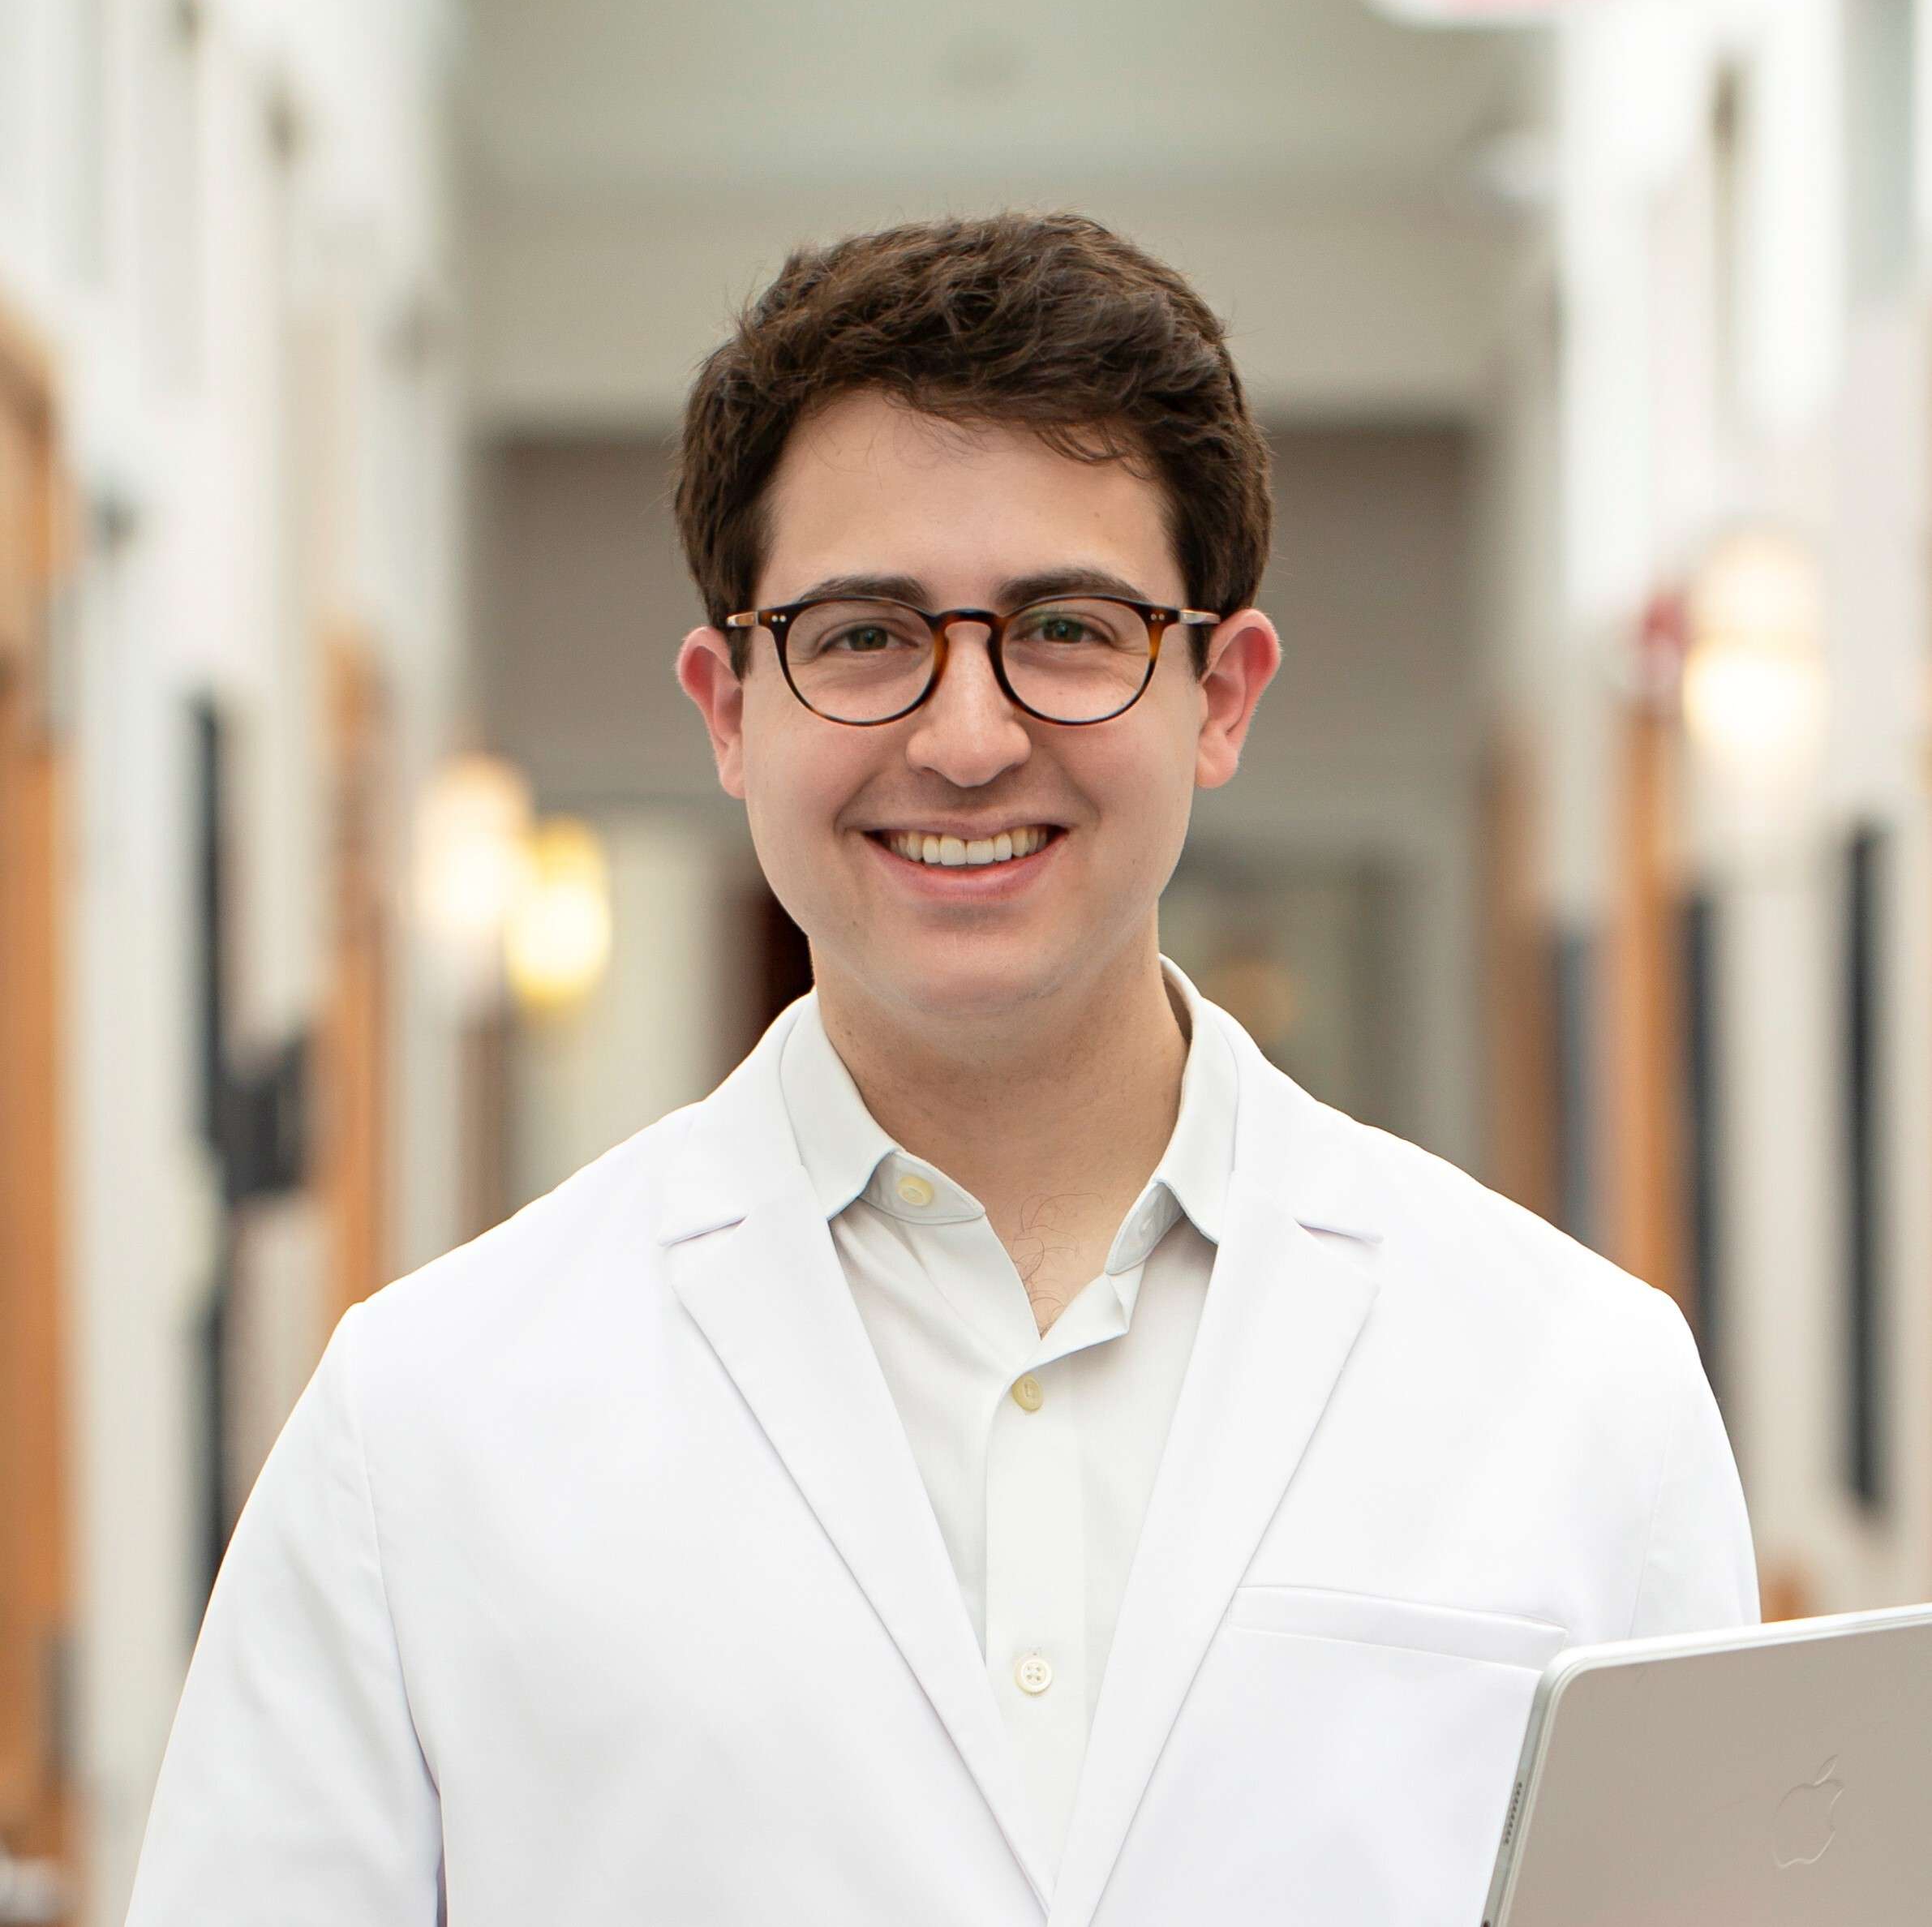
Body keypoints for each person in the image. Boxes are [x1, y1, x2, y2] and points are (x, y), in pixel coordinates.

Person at [125, 212, 1757, 1927]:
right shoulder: (425, 1420)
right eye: (860, 635)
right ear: (728, 706)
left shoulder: (1581, 1385)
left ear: (1223, 691)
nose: (968, 738)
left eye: (1065, 627)